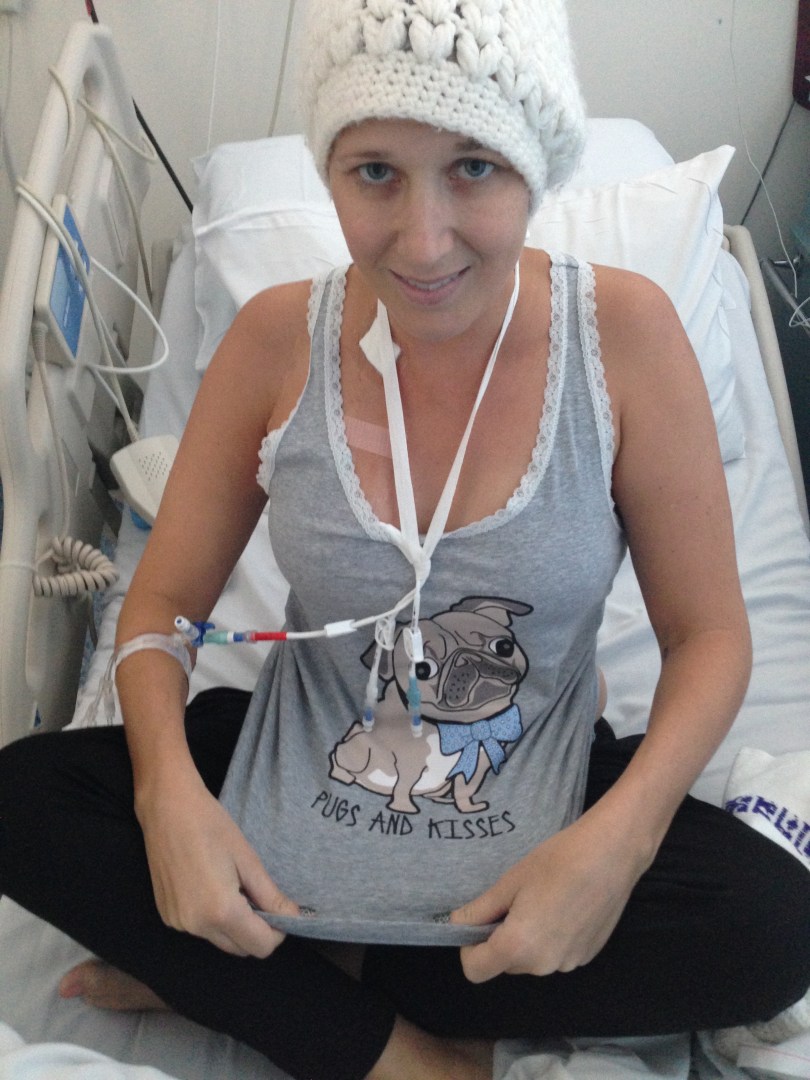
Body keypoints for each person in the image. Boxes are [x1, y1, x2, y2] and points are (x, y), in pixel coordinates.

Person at [1, 1, 809, 1078]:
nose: (423, 242)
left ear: (536, 167)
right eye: (375, 172)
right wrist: (169, 800)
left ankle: (252, 973)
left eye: (474, 168)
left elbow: (708, 636)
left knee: (775, 929)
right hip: (297, 768)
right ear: (329, 170)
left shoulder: (626, 340)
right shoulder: (275, 342)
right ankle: (400, 1048)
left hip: (529, 777)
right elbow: (159, 609)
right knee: (23, 804)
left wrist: (621, 846)